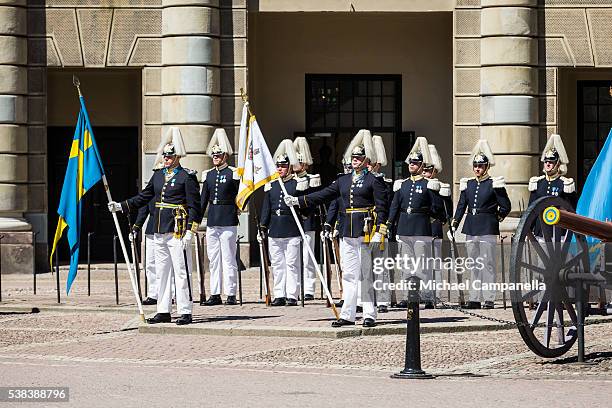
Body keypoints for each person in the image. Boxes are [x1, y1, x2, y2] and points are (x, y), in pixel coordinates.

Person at [284, 129, 388, 328]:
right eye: (353, 157)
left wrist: (379, 232)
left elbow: (382, 209)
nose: (355, 160)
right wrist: (298, 200)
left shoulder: (374, 180)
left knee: (366, 273)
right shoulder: (343, 180)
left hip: (366, 230)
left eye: (359, 157)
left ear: (367, 160)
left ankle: (369, 314)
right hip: (347, 231)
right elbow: (323, 195)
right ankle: (348, 314)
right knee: (348, 273)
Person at [108, 127, 202, 325]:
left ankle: (185, 310)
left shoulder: (187, 177)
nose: (166, 159)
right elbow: (144, 197)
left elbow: (195, 207)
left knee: (181, 272)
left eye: (170, 156)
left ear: (177, 157)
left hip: (177, 231)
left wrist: (190, 232)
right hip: (159, 229)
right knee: (162, 272)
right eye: (165, 156)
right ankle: (163, 310)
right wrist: (121, 206)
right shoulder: (158, 176)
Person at [451, 139, 511, 309]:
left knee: (488, 264)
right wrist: (454, 224)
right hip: (471, 227)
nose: (477, 169)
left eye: (480, 166)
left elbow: (506, 206)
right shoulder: (468, 184)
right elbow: (462, 205)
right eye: (475, 166)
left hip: (487, 227)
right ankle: (475, 297)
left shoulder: (494, 184)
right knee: (474, 264)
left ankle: (489, 297)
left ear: (486, 167)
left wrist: (495, 218)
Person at [387, 137, 443, 309]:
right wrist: (390, 224)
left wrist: (430, 218)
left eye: (415, 163)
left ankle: (425, 295)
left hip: (421, 228)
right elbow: (395, 206)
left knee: (422, 264)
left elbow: (436, 207)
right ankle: (408, 295)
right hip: (404, 227)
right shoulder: (402, 185)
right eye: (411, 162)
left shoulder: (428, 184)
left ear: (421, 165)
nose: (412, 165)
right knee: (406, 264)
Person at [259, 139, 307, 306]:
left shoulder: (297, 184)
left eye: (283, 166)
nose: (279, 168)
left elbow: (306, 208)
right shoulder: (271, 185)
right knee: (278, 264)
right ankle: (279, 294)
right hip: (275, 230)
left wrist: (296, 201)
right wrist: (262, 228)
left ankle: (292, 295)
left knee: (292, 263)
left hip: (291, 229)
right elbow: (266, 208)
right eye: (278, 165)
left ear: (289, 167)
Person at [200, 128, 240, 306]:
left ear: (225, 156)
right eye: (214, 155)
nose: (215, 157)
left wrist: (238, 210)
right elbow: (203, 200)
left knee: (228, 258)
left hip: (228, 219)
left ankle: (231, 293)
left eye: (218, 154)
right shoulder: (208, 175)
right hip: (213, 220)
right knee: (213, 259)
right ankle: (215, 293)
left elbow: (241, 195)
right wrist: (195, 221)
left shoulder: (233, 173)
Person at [422, 144, 452, 304]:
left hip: (434, 229)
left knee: (434, 264)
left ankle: (434, 294)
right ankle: (424, 294)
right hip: (419, 230)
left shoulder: (442, 187)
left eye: (428, 170)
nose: (425, 173)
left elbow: (447, 211)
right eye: (424, 170)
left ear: (435, 171)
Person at [293, 137, 321, 301]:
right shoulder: (287, 181)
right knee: (293, 258)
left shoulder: (313, 179)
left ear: (306, 164)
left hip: (307, 220)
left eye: (301, 162)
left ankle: (309, 288)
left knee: (307, 256)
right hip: (292, 223)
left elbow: (315, 201)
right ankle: (295, 287)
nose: (297, 166)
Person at [131, 198, 161, 305]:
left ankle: (170, 293)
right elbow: (143, 210)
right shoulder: (152, 188)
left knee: (167, 265)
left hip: (168, 229)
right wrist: (136, 227)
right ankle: (153, 294)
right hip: (152, 229)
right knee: (150, 264)